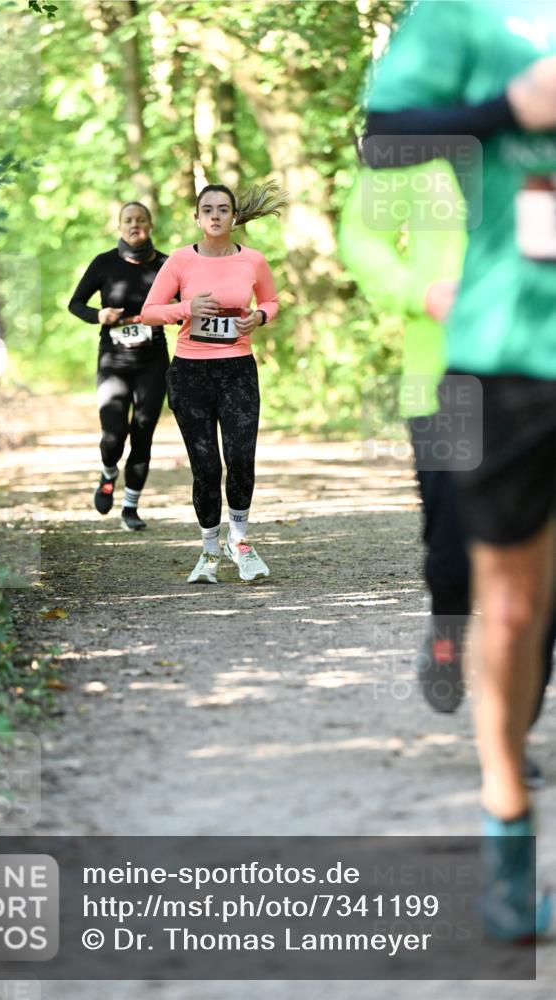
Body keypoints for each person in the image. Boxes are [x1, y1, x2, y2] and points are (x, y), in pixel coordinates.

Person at [364, 0, 556, 941]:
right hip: (491, 355)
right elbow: (381, 150)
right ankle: (506, 823)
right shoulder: (464, 17)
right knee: (493, 591)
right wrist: (511, 108)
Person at [339, 159, 554, 780]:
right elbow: (362, 235)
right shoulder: (426, 139)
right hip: (446, 381)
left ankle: (509, 733)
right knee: (456, 556)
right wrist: (421, 292)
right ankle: (447, 627)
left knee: (542, 576)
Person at [141, 182, 283, 583]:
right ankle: (209, 551)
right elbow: (149, 312)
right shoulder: (180, 261)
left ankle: (240, 542)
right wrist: (188, 307)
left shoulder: (253, 260)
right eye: (208, 209)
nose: (216, 215)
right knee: (205, 467)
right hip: (190, 374)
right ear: (197, 218)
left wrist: (259, 317)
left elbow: (271, 301)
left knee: (240, 458)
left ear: (234, 217)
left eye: (223, 209)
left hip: (238, 371)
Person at [68, 202, 170, 531]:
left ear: (150, 225)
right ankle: (109, 472)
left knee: (143, 433)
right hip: (113, 359)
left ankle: (131, 508)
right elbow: (75, 304)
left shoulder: (166, 265)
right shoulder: (104, 263)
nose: (134, 225)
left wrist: (172, 313)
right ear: (120, 227)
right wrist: (98, 315)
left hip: (153, 361)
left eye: (141, 219)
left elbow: (185, 305)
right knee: (113, 436)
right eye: (128, 220)